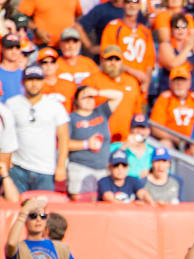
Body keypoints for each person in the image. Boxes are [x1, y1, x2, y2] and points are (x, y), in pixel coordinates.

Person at [6, 65, 70, 193]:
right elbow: (5, 135)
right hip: (18, 167)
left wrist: (61, 166)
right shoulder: (11, 104)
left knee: (43, 210)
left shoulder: (54, 106)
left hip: (45, 169)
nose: (34, 84)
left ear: (43, 81)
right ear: (23, 82)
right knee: (17, 210)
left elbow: (63, 138)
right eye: (30, 79)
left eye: (38, 79)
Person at [67, 85, 123, 200]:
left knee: (105, 200)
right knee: (80, 200)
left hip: (103, 169)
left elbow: (119, 95)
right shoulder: (70, 118)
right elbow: (64, 143)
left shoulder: (101, 111)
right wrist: (86, 144)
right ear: (76, 101)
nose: (89, 100)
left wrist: (98, 92)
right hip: (80, 167)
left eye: (91, 97)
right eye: (84, 97)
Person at [81, 45, 143, 142]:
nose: (113, 63)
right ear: (102, 61)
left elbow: (137, 113)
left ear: (122, 62)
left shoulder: (132, 82)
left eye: (117, 59)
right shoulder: (91, 81)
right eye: (109, 59)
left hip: (125, 140)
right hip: (99, 139)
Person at [100, 0, 155, 93]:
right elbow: (107, 58)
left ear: (139, 5)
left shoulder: (145, 31)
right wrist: (133, 72)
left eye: (135, 2)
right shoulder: (113, 27)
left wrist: (146, 82)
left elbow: (150, 61)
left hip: (140, 87)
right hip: (119, 83)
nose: (131, 5)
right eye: (128, 2)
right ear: (123, 4)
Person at [150, 66, 194, 147]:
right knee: (164, 144)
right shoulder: (164, 99)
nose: (179, 84)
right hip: (171, 140)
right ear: (170, 83)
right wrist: (173, 138)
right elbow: (156, 128)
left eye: (183, 80)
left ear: (189, 83)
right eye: (176, 81)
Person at [110, 114, 154, 178]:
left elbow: (165, 173)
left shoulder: (153, 152)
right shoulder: (115, 147)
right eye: (136, 127)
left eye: (142, 128)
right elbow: (105, 165)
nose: (139, 131)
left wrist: (151, 173)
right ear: (130, 130)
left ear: (148, 131)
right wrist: (124, 147)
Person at [37, 47, 76, 113]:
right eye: (44, 62)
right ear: (38, 66)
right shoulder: (35, 86)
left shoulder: (69, 85)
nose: (48, 65)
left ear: (57, 65)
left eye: (52, 62)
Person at [0, 34, 26, 102]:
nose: (14, 51)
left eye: (17, 47)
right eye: (10, 47)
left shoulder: (26, 72)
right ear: (2, 48)